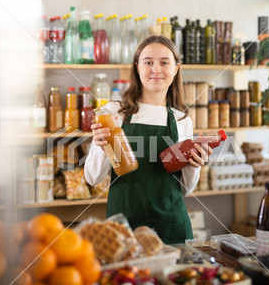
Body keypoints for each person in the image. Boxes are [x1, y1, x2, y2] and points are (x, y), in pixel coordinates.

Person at [84, 35, 213, 244]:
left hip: (172, 227)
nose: (156, 69)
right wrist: (100, 145)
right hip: (124, 229)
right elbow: (92, 178)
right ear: (137, 67)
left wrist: (194, 166)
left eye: (164, 62)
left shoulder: (181, 120)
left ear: (176, 68)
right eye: (148, 62)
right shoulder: (113, 113)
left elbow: (184, 190)